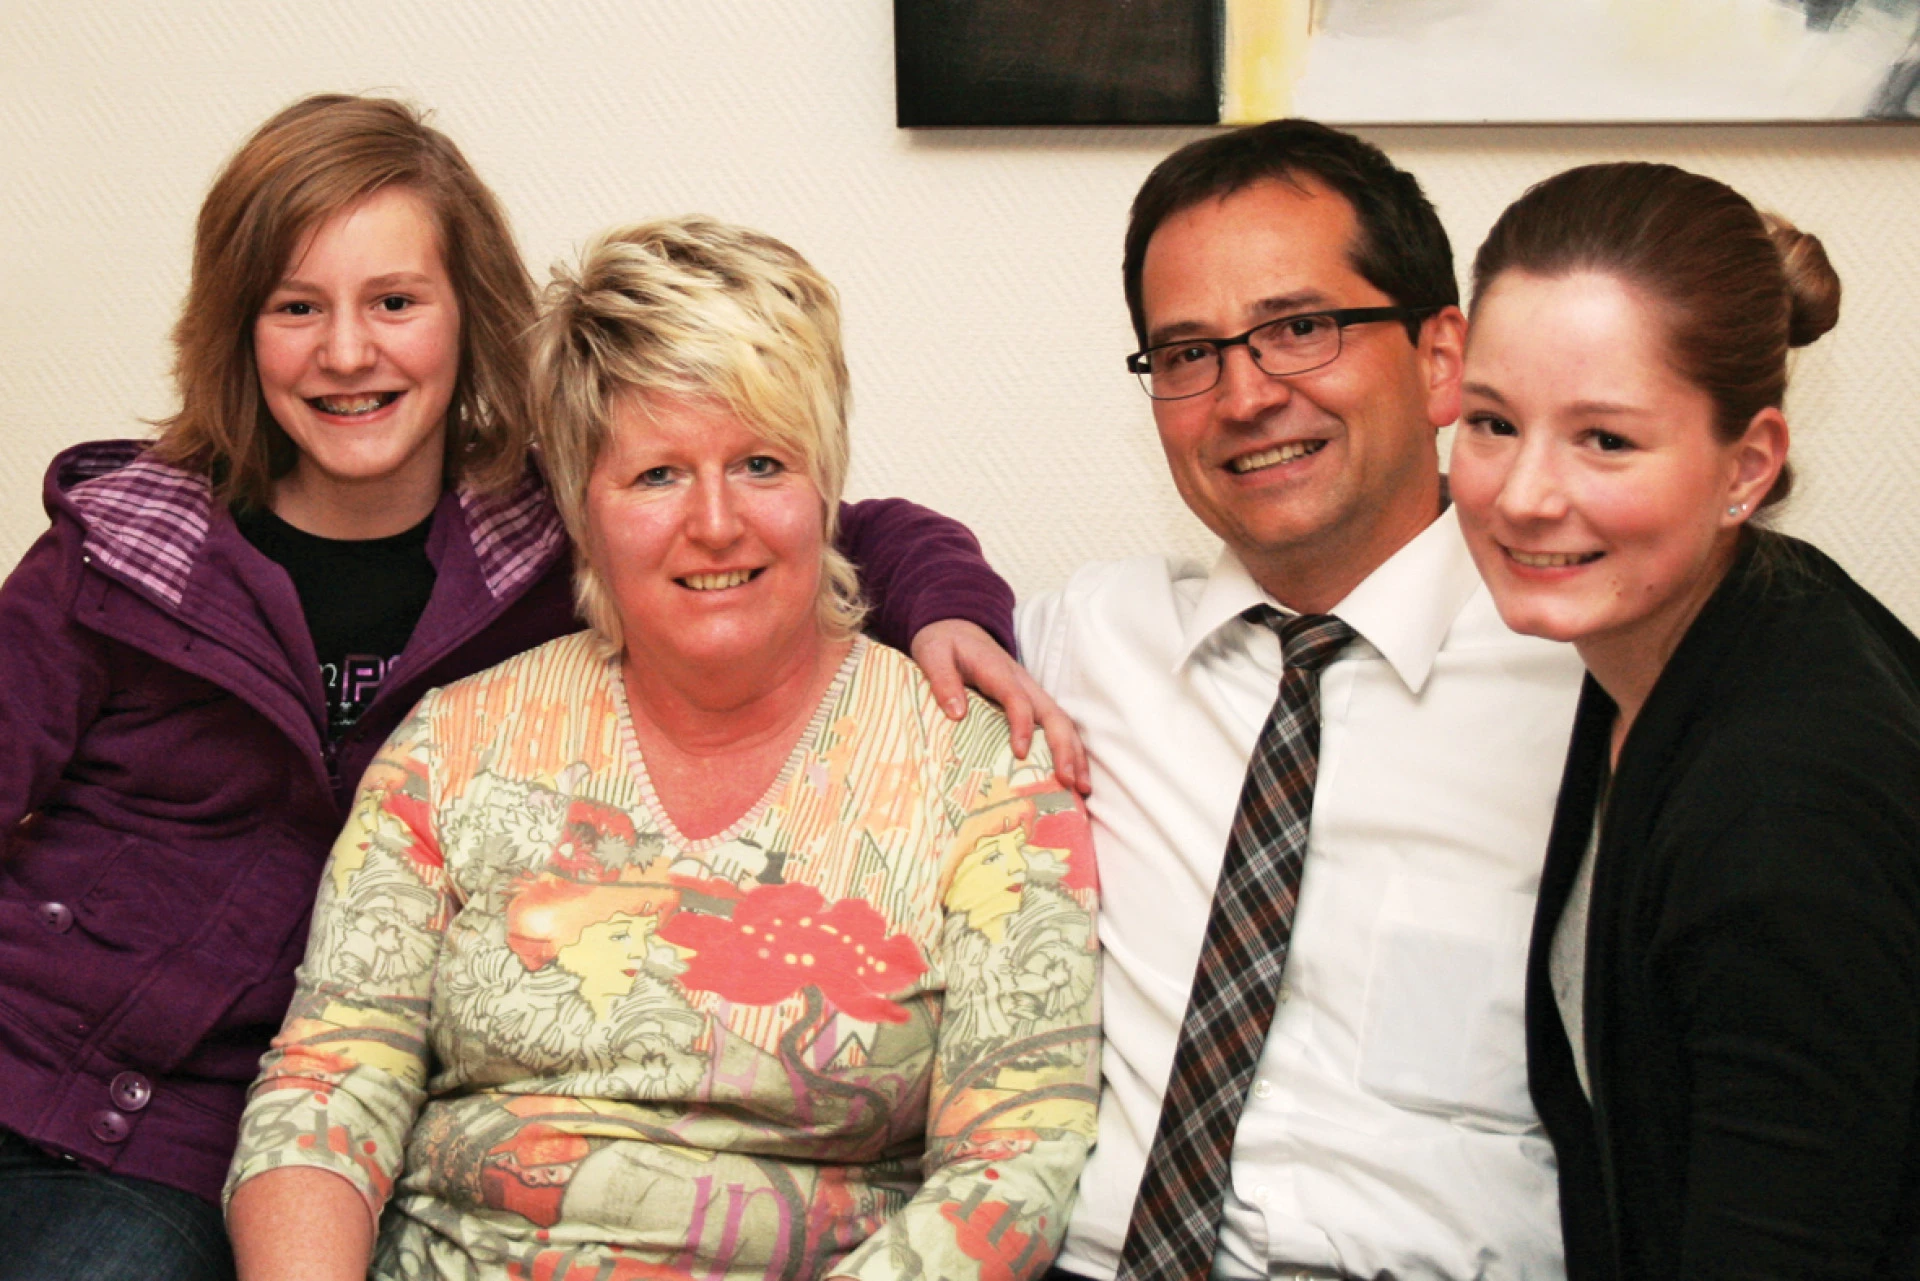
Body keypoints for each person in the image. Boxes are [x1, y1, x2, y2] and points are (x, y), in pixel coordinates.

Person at [0, 95, 1073, 1281]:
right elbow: (329, 1079)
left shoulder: (531, 549)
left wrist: (957, 606)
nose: (348, 350)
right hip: (40, 1045)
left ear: (472, 323)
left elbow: (828, 527)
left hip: (168, 1150)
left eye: (395, 301)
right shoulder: (135, 554)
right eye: (296, 306)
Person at [222, 215, 1101, 1281]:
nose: (717, 523)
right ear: (582, 508)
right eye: (656, 476)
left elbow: (1008, 1167)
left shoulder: (980, 765)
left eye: (762, 463)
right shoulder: (453, 746)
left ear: (827, 486)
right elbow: (326, 1084)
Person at [1020, 119, 1585, 1281]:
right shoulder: (1089, 641)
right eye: (1187, 354)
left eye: (1298, 329)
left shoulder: (1585, 678)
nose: (1242, 395)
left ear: (1442, 360)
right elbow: (812, 568)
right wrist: (931, 598)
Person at [1450, 161, 1920, 1279]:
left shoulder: (1785, 802)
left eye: (1605, 440)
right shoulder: (1686, 626)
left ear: (1745, 466)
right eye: (1491, 422)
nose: (1523, 493)